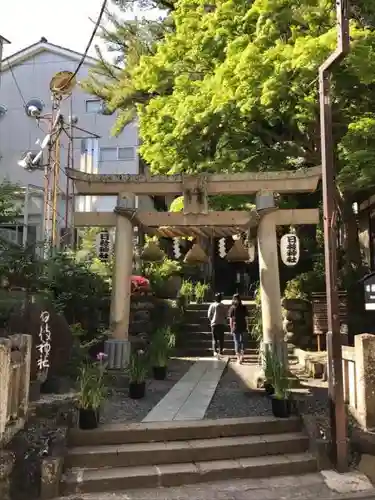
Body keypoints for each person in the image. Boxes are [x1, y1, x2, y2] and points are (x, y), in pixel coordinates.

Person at [228, 293, 248, 364]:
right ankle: (240, 357)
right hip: (241, 326)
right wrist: (247, 326)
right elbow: (246, 318)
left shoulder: (232, 308)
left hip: (236, 326)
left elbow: (231, 320)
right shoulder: (243, 307)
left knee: (238, 342)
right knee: (241, 342)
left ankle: (239, 357)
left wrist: (231, 328)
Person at [207, 293, 227, 358]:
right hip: (221, 323)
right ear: (221, 299)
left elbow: (209, 315)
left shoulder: (212, 305)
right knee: (221, 339)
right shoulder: (223, 306)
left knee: (214, 338)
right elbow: (226, 315)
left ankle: (215, 351)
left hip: (214, 324)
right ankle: (220, 351)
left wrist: (212, 320)